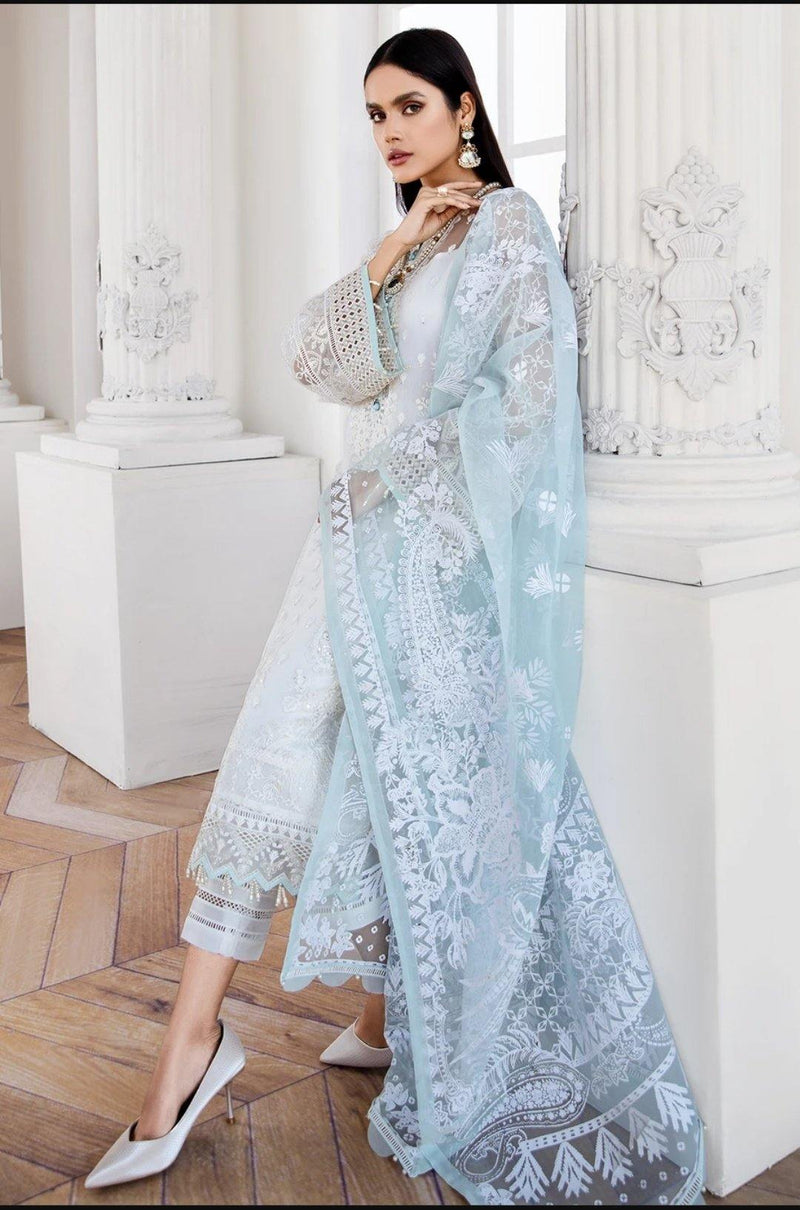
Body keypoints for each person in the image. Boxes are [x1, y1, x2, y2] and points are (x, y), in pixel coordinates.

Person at [85, 27, 705, 1205]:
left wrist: (396, 474)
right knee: (287, 763)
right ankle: (247, 1038)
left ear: (464, 108)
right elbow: (325, 367)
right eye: (374, 113)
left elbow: (524, 406)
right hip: (354, 549)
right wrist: (392, 247)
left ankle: (215, 1049)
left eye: (409, 105)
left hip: (428, 561)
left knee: (332, 768)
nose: (388, 130)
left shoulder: (509, 229)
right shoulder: (421, 237)